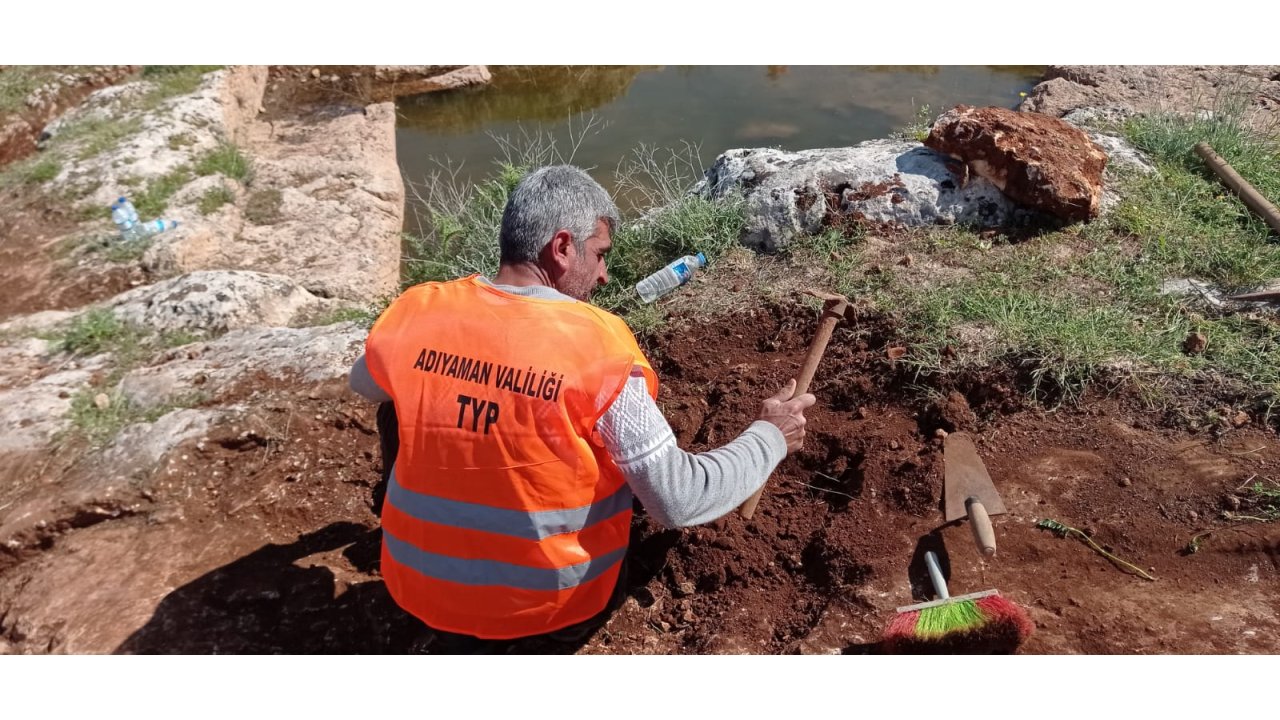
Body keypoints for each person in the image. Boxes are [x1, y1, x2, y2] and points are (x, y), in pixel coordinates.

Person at [347, 165, 815, 651]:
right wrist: (770, 436)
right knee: (609, 447)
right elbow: (678, 500)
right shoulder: (596, 346)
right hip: (551, 610)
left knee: (396, 401)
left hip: (416, 588)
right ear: (562, 247)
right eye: (600, 254)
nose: (604, 274)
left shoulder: (419, 310)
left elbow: (363, 384)